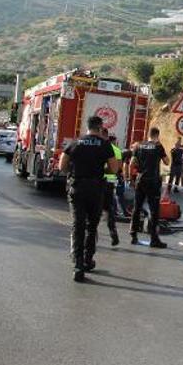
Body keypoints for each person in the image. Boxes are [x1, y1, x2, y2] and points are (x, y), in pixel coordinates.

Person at [58, 116, 118, 282]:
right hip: (96, 189)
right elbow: (114, 168)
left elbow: (61, 166)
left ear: (87, 127)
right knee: (92, 226)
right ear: (100, 128)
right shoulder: (105, 145)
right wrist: (100, 167)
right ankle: (87, 260)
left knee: (78, 225)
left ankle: (78, 266)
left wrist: (75, 168)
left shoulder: (75, 143)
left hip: (77, 188)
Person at [127, 127, 169, 248]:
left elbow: (132, 163)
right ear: (157, 135)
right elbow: (167, 161)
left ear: (148, 135)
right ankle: (154, 239)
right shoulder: (158, 146)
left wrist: (132, 179)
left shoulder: (138, 146)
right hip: (153, 181)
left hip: (140, 180)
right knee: (154, 210)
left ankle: (133, 235)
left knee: (137, 208)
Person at [100, 128, 121, 247]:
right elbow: (118, 167)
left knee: (94, 211)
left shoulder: (98, 147)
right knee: (109, 210)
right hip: (110, 183)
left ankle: (90, 236)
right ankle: (114, 235)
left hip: (98, 182)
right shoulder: (116, 150)